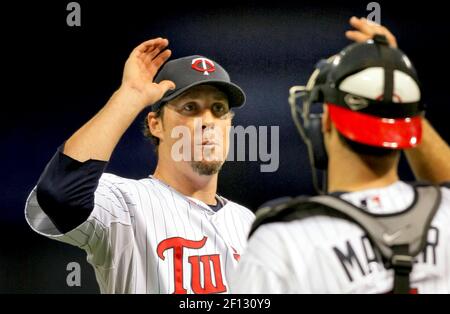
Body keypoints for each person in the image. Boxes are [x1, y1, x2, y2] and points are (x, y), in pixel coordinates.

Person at [231, 19, 450, 293]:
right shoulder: (445, 214)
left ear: (325, 123)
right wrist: (394, 83)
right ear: (409, 124)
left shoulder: (282, 243)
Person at [24, 38, 255, 294]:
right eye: (190, 107)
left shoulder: (247, 223)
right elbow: (59, 195)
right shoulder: (124, 202)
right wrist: (130, 96)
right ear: (156, 124)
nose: (207, 121)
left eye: (218, 109)